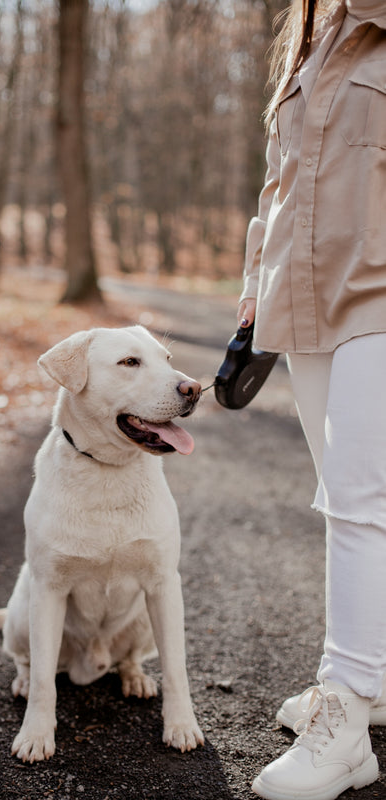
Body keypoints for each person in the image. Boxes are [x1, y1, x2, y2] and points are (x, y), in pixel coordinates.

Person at [237, 1, 386, 798]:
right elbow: (277, 174)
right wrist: (254, 277)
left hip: (379, 292)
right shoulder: (313, 32)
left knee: (362, 498)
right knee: (348, 493)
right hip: (302, 296)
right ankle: (374, 677)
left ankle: (346, 712)